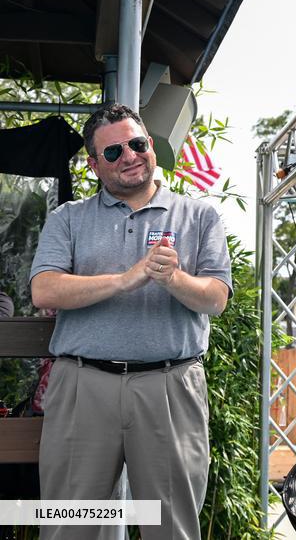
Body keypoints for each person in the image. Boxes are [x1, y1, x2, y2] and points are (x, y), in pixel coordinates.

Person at [29, 105, 232, 540]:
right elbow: (44, 290)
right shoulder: (68, 218)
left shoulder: (199, 216)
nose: (130, 156)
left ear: (151, 147)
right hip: (84, 388)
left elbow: (216, 299)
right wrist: (126, 280)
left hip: (169, 386)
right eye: (114, 150)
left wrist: (172, 278)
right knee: (72, 528)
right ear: (94, 163)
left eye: (137, 144)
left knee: (170, 528)